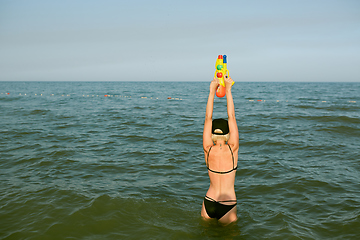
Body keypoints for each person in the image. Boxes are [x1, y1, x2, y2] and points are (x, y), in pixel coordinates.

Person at [201, 74, 239, 225]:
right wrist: (228, 90)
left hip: (209, 200)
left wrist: (211, 91)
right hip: (228, 203)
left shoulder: (207, 148)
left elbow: (207, 117)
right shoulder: (233, 148)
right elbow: (232, 116)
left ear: (211, 134)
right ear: (228, 134)